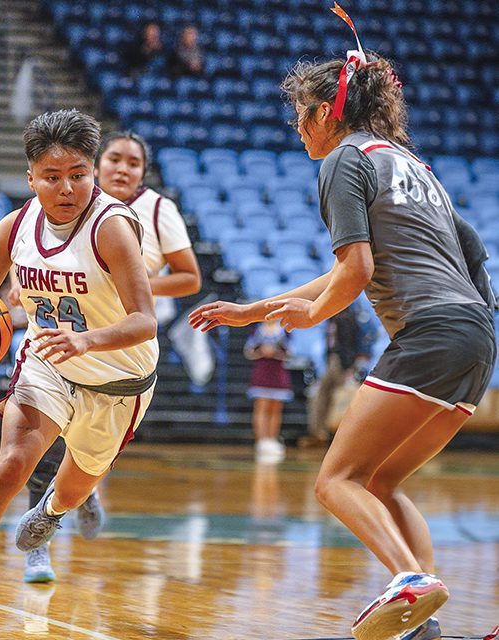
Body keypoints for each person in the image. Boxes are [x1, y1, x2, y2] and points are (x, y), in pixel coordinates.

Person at [188, 27, 496, 640]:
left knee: (336, 480)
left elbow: (356, 273)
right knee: (381, 480)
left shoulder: (343, 161)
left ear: (328, 112)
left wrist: (314, 315)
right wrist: (258, 310)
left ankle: (410, 580)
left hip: (430, 332)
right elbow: (474, 250)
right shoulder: (414, 165)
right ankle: (421, 619)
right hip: (477, 338)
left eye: (301, 114)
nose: (297, 127)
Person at [0, 109, 159, 636]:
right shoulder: (15, 227)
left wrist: (86, 339)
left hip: (119, 381)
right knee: (11, 462)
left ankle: (54, 509)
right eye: (52, 176)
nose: (67, 187)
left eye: (79, 174)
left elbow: (145, 321)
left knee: (75, 487)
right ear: (31, 178)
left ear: (92, 172)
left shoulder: (110, 229)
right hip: (48, 364)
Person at [16, 129, 202, 584]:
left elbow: (190, 279)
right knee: (36, 449)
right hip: (62, 342)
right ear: (97, 165)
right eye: (115, 158)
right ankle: (38, 549)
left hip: (122, 349)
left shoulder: (158, 211)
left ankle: (82, 489)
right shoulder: (67, 205)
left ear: (143, 173)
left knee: (93, 447)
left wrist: (126, 279)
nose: (123, 168)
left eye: (133, 163)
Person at [304, 304, 365, 446]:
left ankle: (331, 432)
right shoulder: (333, 319)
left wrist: (347, 366)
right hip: (333, 360)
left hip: (339, 362)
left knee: (333, 395)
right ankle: (322, 431)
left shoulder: (346, 318)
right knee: (325, 394)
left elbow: (349, 344)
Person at [244, 319, 292, 463]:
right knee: (261, 406)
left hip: (278, 371)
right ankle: (261, 440)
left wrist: (275, 352)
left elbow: (291, 351)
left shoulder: (284, 330)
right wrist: (262, 351)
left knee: (276, 408)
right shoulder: (257, 329)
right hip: (262, 371)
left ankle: (272, 440)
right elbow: (248, 350)